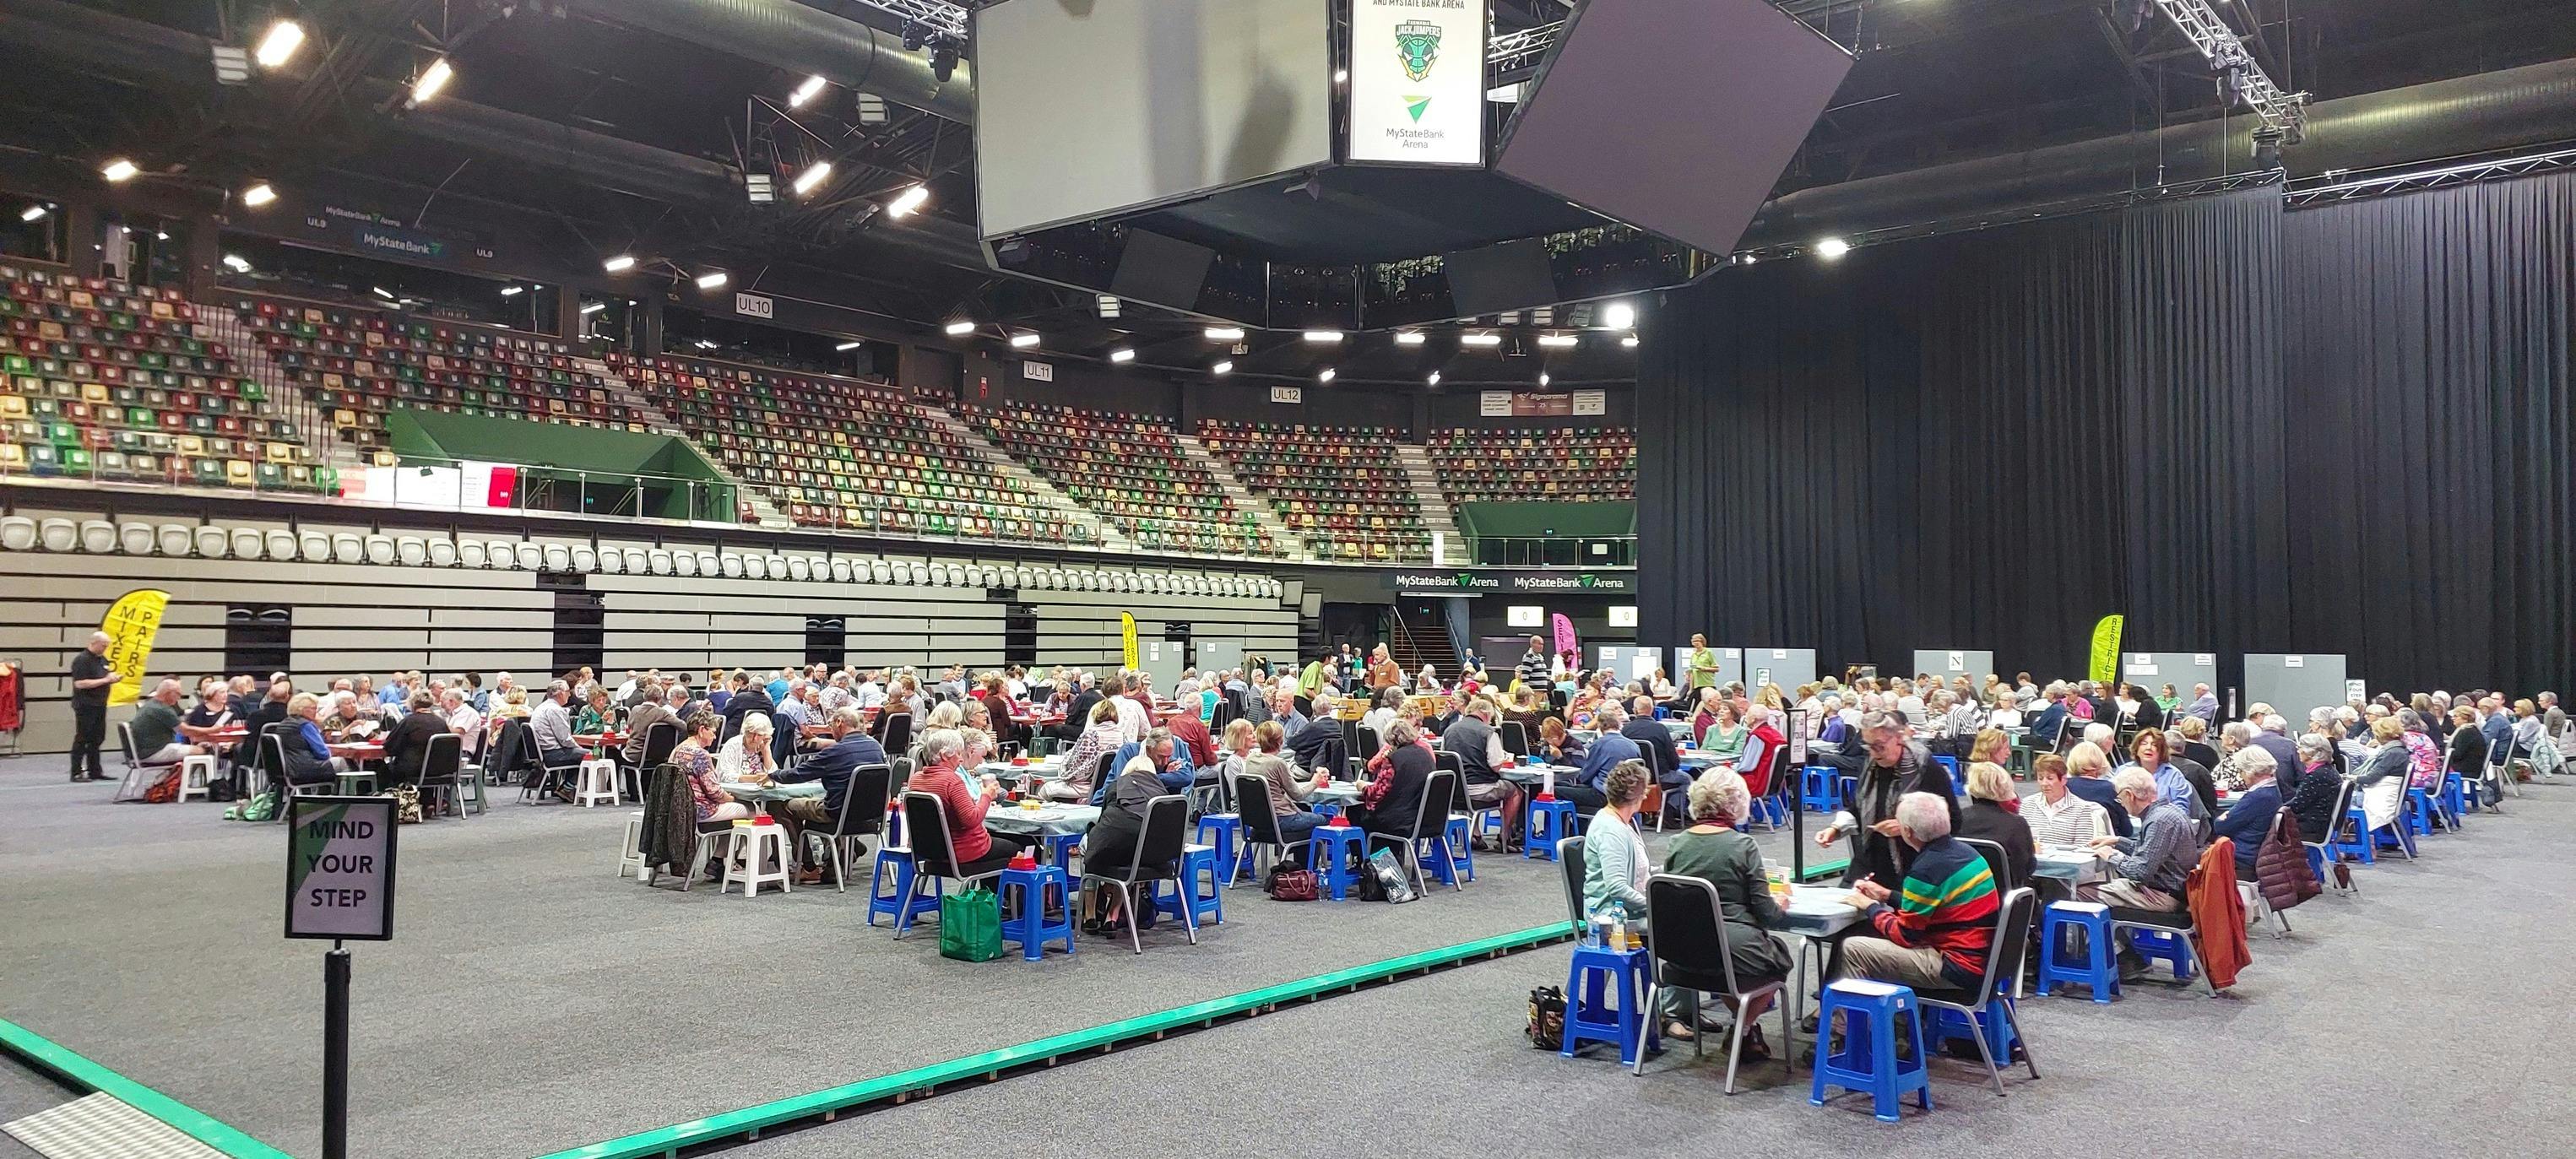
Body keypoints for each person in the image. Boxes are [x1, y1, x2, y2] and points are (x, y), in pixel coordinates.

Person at [1656, 768, 1795, 1047]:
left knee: (1735, 967)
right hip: (1733, 951)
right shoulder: (1743, 845)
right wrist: (1780, 904)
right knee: (1778, 958)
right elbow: (1767, 914)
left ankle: (1745, 1030)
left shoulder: (1677, 843)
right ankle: (1743, 1029)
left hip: (1682, 952)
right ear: (1737, 802)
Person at [1836, 792, 1998, 993]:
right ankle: (1892, 1016)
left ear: (1907, 832)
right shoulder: (1968, 854)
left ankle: (1844, 1022)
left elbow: (1905, 935)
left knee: (1854, 948)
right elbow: (1934, 909)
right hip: (1982, 960)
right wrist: (1887, 895)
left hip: (1955, 967)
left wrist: (1871, 907)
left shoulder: (1925, 870)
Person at [1817, 712, 1959, 889]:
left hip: (1914, 865)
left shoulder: (1925, 768)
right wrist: (1835, 828)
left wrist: (1906, 827)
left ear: (1898, 738)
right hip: (1870, 858)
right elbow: (1859, 808)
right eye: (1868, 746)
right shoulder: (1871, 766)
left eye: (1879, 746)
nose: (1874, 753)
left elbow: (1952, 820)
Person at [2078, 769, 2199, 931]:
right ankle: (2120, 948)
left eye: (2119, 798)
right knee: (2107, 885)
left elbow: (2140, 872)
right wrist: (2117, 841)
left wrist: (2111, 855)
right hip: (2171, 890)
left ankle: (2114, 951)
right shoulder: (2169, 811)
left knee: (2078, 893)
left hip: (2162, 896)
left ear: (2129, 795)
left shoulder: (2159, 821)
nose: (2120, 803)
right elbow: (2151, 853)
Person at [773, 707, 887, 879]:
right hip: (871, 817)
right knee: (830, 800)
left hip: (837, 814)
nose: (831, 730)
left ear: (839, 723)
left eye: (831, 725)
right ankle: (844, 854)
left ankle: (808, 867)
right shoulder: (876, 747)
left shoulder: (836, 751)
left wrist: (772, 775)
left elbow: (798, 774)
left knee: (784, 806)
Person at [907, 727, 1029, 877]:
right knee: (1022, 846)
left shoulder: (916, 780)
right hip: (965, 852)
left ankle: (991, 896)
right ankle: (1015, 899)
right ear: (945, 755)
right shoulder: (952, 781)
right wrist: (986, 796)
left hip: (932, 852)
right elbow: (971, 819)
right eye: (958, 753)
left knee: (998, 842)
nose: (960, 758)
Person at [1348, 718, 1434, 862]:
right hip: (1422, 817)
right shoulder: (1425, 754)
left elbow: (1376, 794)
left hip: (1397, 821)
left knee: (1354, 809)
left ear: (1391, 739)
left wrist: (1362, 786)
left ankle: (1363, 860)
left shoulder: (1394, 759)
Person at [1579, 761, 1655, 922]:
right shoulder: (1611, 831)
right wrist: (1655, 905)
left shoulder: (1623, 823)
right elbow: (1617, 888)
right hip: (1614, 916)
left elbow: (1637, 870)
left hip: (1630, 909)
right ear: (1640, 796)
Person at [1955, 761, 2036, 889]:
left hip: (1964, 894)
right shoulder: (2016, 824)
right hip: (2004, 896)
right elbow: (2027, 866)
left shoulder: (1956, 820)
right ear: (2004, 786)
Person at [2210, 745, 2282, 875]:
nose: (2241, 775)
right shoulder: (2273, 790)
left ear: (2250, 771)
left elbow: (2221, 827)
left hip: (2242, 855)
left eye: (2241, 771)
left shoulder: (2257, 797)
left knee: (2192, 859)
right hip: (2253, 850)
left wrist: (2222, 818)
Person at [2020, 753, 2112, 848]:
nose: (2044, 783)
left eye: (2050, 778)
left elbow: (2083, 848)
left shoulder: (2081, 809)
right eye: (2040, 778)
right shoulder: (2027, 804)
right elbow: (2020, 841)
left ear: (2064, 780)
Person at [65, 631, 118, 782]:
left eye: (107, 646)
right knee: (82, 738)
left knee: (97, 738)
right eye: (103, 645)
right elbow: (80, 683)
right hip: (85, 705)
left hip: (100, 704)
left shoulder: (102, 660)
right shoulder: (82, 660)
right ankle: (76, 772)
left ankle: (95, 771)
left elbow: (104, 677)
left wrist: (112, 678)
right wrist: (105, 680)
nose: (105, 648)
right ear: (94, 643)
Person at [1049, 699, 1125, 803]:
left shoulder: (1091, 736)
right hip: (1107, 789)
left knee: (1044, 789)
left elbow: (1075, 770)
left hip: (1085, 788)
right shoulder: (1122, 736)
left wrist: (1065, 763)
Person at [2061, 740, 2132, 837]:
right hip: (2106, 843)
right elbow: (2127, 830)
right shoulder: (2110, 788)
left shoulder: (2063, 787)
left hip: (2069, 840)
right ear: (2101, 761)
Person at [127, 678, 203, 766]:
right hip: (154, 752)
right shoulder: (162, 709)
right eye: (178, 694)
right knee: (201, 751)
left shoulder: (150, 705)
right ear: (168, 694)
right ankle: (181, 779)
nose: (179, 698)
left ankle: (170, 778)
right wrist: (212, 730)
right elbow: (185, 731)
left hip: (144, 750)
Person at [2285, 734, 2346, 842]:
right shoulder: (2328, 770)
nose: (2298, 751)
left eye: (2300, 748)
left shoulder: (2317, 776)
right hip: (2322, 822)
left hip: (2313, 827)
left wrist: (2277, 809)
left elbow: (2296, 806)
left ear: (2310, 753)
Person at [380, 691, 448, 787]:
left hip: (414, 770)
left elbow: (390, 747)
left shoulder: (409, 722)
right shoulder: (441, 722)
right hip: (440, 770)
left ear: (413, 704)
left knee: (382, 768)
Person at [529, 680, 583, 789]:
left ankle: (566, 787)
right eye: (568, 691)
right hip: (553, 754)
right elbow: (565, 740)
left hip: (542, 753)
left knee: (579, 753)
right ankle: (569, 788)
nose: (570, 695)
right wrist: (580, 748)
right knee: (592, 755)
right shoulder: (555, 710)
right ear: (560, 693)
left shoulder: (541, 707)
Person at [717, 713, 779, 781]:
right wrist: (755, 778)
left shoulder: (763, 746)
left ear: (765, 736)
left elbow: (773, 773)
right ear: (745, 731)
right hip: (737, 790)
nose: (755, 738)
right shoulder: (733, 745)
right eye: (751, 733)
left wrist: (766, 750)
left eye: (759, 735)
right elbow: (725, 776)